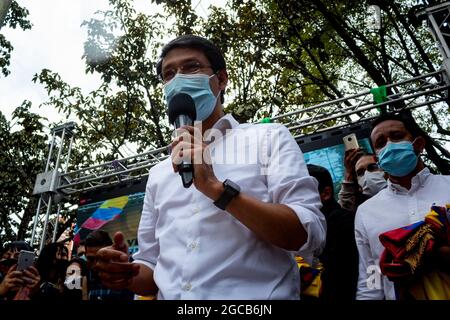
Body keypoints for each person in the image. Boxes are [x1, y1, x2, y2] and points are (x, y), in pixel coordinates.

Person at [94, 34, 326, 300]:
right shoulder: (158, 174)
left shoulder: (268, 138)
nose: (178, 79)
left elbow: (308, 234)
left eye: (191, 67)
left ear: (222, 79)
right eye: (169, 74)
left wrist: (217, 189)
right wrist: (124, 272)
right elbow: (151, 271)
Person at [355, 111, 450, 300]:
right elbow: (371, 274)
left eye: (397, 137)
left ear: (419, 145)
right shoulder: (366, 212)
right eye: (381, 143)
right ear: (377, 157)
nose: (390, 145)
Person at [307, 164, 359, 300]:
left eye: (302, 193)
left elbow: (343, 278)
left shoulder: (342, 223)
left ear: (326, 193)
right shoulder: (311, 225)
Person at [84, 230, 134, 301]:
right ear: (85, 255)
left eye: (101, 258)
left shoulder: (126, 272)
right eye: (91, 259)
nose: (96, 264)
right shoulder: (87, 274)